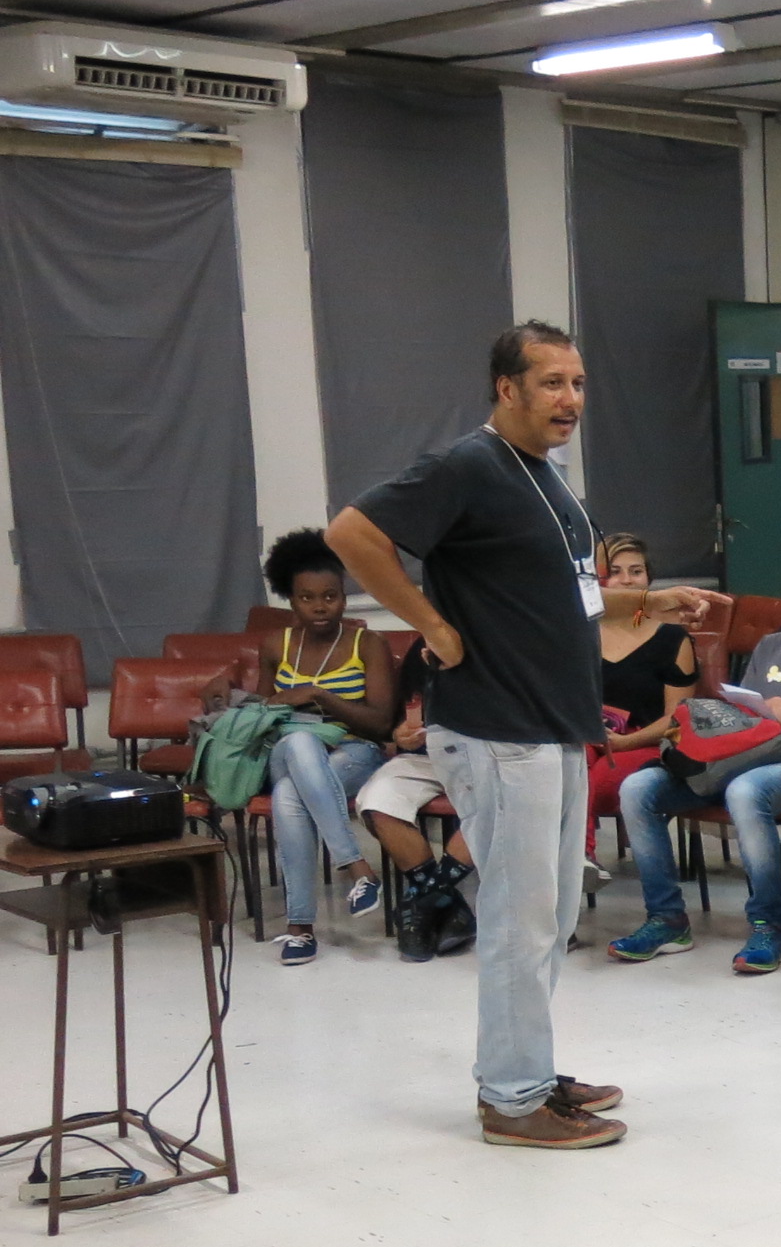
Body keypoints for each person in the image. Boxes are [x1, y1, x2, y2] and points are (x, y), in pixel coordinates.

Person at [328, 319, 722, 1149]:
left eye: (578, 383)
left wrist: (650, 601)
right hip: (498, 725)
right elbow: (351, 535)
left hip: (555, 723)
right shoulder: (465, 466)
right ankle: (511, 1099)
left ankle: (532, 1071)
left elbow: (567, 597)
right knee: (518, 916)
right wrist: (430, 623)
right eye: (552, 383)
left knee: (551, 909)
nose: (571, 399)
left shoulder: (546, 478)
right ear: (507, 389)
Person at [607, 539, 781, 977]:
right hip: (739, 752)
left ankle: (768, 925)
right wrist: (768, 711)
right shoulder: (773, 645)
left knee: (745, 791)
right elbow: (742, 712)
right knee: (639, 788)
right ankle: (666, 920)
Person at [256, 527, 397, 965]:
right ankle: (356, 866)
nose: (319, 607)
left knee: (288, 797)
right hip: (285, 752)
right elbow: (265, 713)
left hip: (354, 752)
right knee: (297, 741)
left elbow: (381, 723)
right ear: (290, 598)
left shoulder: (367, 644)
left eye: (330, 596)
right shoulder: (275, 645)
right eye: (306, 597)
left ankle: (300, 929)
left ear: (344, 596)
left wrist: (321, 697)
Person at [357, 637, 480, 962]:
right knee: (377, 799)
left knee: (498, 803)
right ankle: (444, 902)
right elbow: (404, 712)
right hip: (428, 755)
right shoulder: (425, 641)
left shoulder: (504, 635)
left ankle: (420, 905)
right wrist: (400, 734)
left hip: (489, 756)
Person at [585, 531, 695, 829]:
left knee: (600, 783)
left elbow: (677, 718)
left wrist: (624, 742)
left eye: (636, 571)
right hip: (587, 738)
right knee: (561, 770)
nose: (627, 581)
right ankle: (574, 861)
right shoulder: (580, 634)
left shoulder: (672, 637)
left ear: (649, 579)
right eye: (615, 572)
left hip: (643, 743)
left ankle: (581, 858)